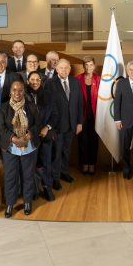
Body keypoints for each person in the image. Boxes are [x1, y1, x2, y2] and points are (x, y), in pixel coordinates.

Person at [0, 81, 40, 217]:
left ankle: (27, 202)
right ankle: (10, 204)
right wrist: (14, 139)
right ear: (10, 92)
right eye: (14, 90)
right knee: (10, 176)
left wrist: (27, 136)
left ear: (24, 92)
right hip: (10, 148)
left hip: (29, 147)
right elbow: (0, 127)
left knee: (28, 176)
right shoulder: (3, 108)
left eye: (20, 90)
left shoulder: (32, 107)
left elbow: (38, 124)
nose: (17, 93)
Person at [44, 58, 83, 190]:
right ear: (56, 69)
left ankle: (64, 173)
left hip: (72, 125)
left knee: (67, 152)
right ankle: (55, 178)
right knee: (57, 153)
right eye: (61, 68)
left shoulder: (75, 82)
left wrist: (79, 122)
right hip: (57, 126)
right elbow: (48, 106)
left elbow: (79, 104)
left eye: (67, 68)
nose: (64, 70)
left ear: (70, 69)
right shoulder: (50, 83)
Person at [26, 71, 58, 201]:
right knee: (31, 165)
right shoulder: (23, 94)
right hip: (30, 137)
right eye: (32, 79)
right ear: (28, 81)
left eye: (37, 79)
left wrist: (47, 127)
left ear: (41, 81)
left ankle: (47, 187)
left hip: (45, 135)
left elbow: (55, 114)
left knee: (46, 163)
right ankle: (34, 190)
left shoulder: (49, 95)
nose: (35, 82)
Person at [75, 56, 101, 175]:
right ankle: (84, 164)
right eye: (86, 65)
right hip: (82, 115)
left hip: (96, 115)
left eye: (90, 65)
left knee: (94, 140)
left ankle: (92, 164)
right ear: (83, 66)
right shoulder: (77, 79)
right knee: (83, 141)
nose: (88, 67)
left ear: (94, 66)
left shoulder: (99, 79)